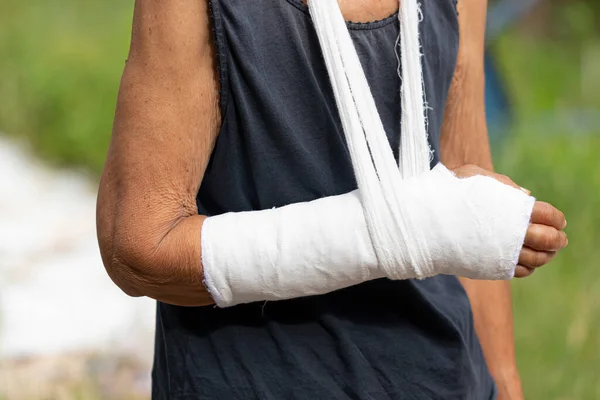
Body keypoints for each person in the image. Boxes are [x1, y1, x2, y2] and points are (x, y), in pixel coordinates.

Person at [96, 0, 568, 398]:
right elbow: (138, 248)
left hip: (444, 377)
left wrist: (505, 384)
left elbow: (467, 211)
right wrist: (413, 228)